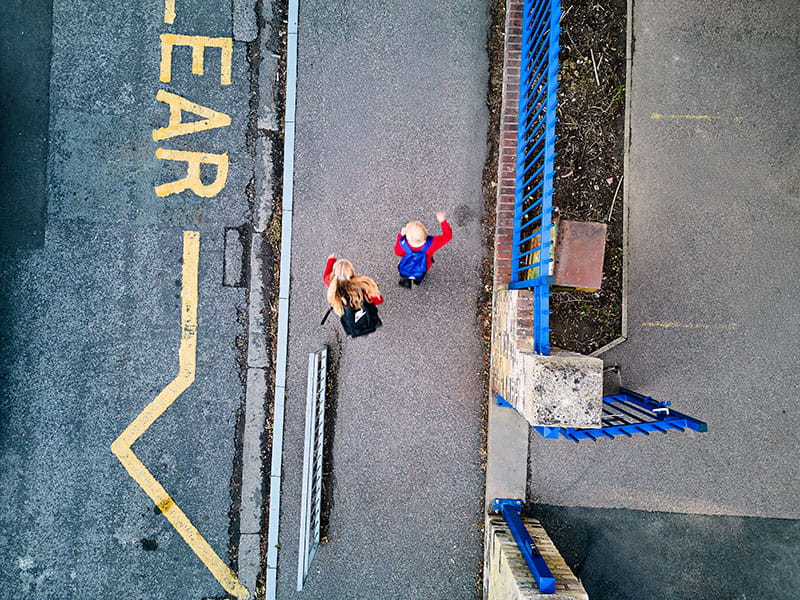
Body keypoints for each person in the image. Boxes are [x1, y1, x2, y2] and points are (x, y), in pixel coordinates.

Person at [323, 255, 383, 337]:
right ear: (351, 271)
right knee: (368, 316)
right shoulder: (363, 285)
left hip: (349, 314)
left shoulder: (332, 285)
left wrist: (331, 261)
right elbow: (379, 301)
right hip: (365, 309)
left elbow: (325, 276)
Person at [394, 211, 452, 288]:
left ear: (407, 236)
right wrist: (443, 221)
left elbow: (398, 252)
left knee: (406, 271)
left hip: (407, 264)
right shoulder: (433, 243)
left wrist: (400, 236)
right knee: (421, 273)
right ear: (426, 232)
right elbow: (448, 236)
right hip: (424, 264)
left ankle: (406, 280)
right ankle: (417, 281)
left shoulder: (402, 243)